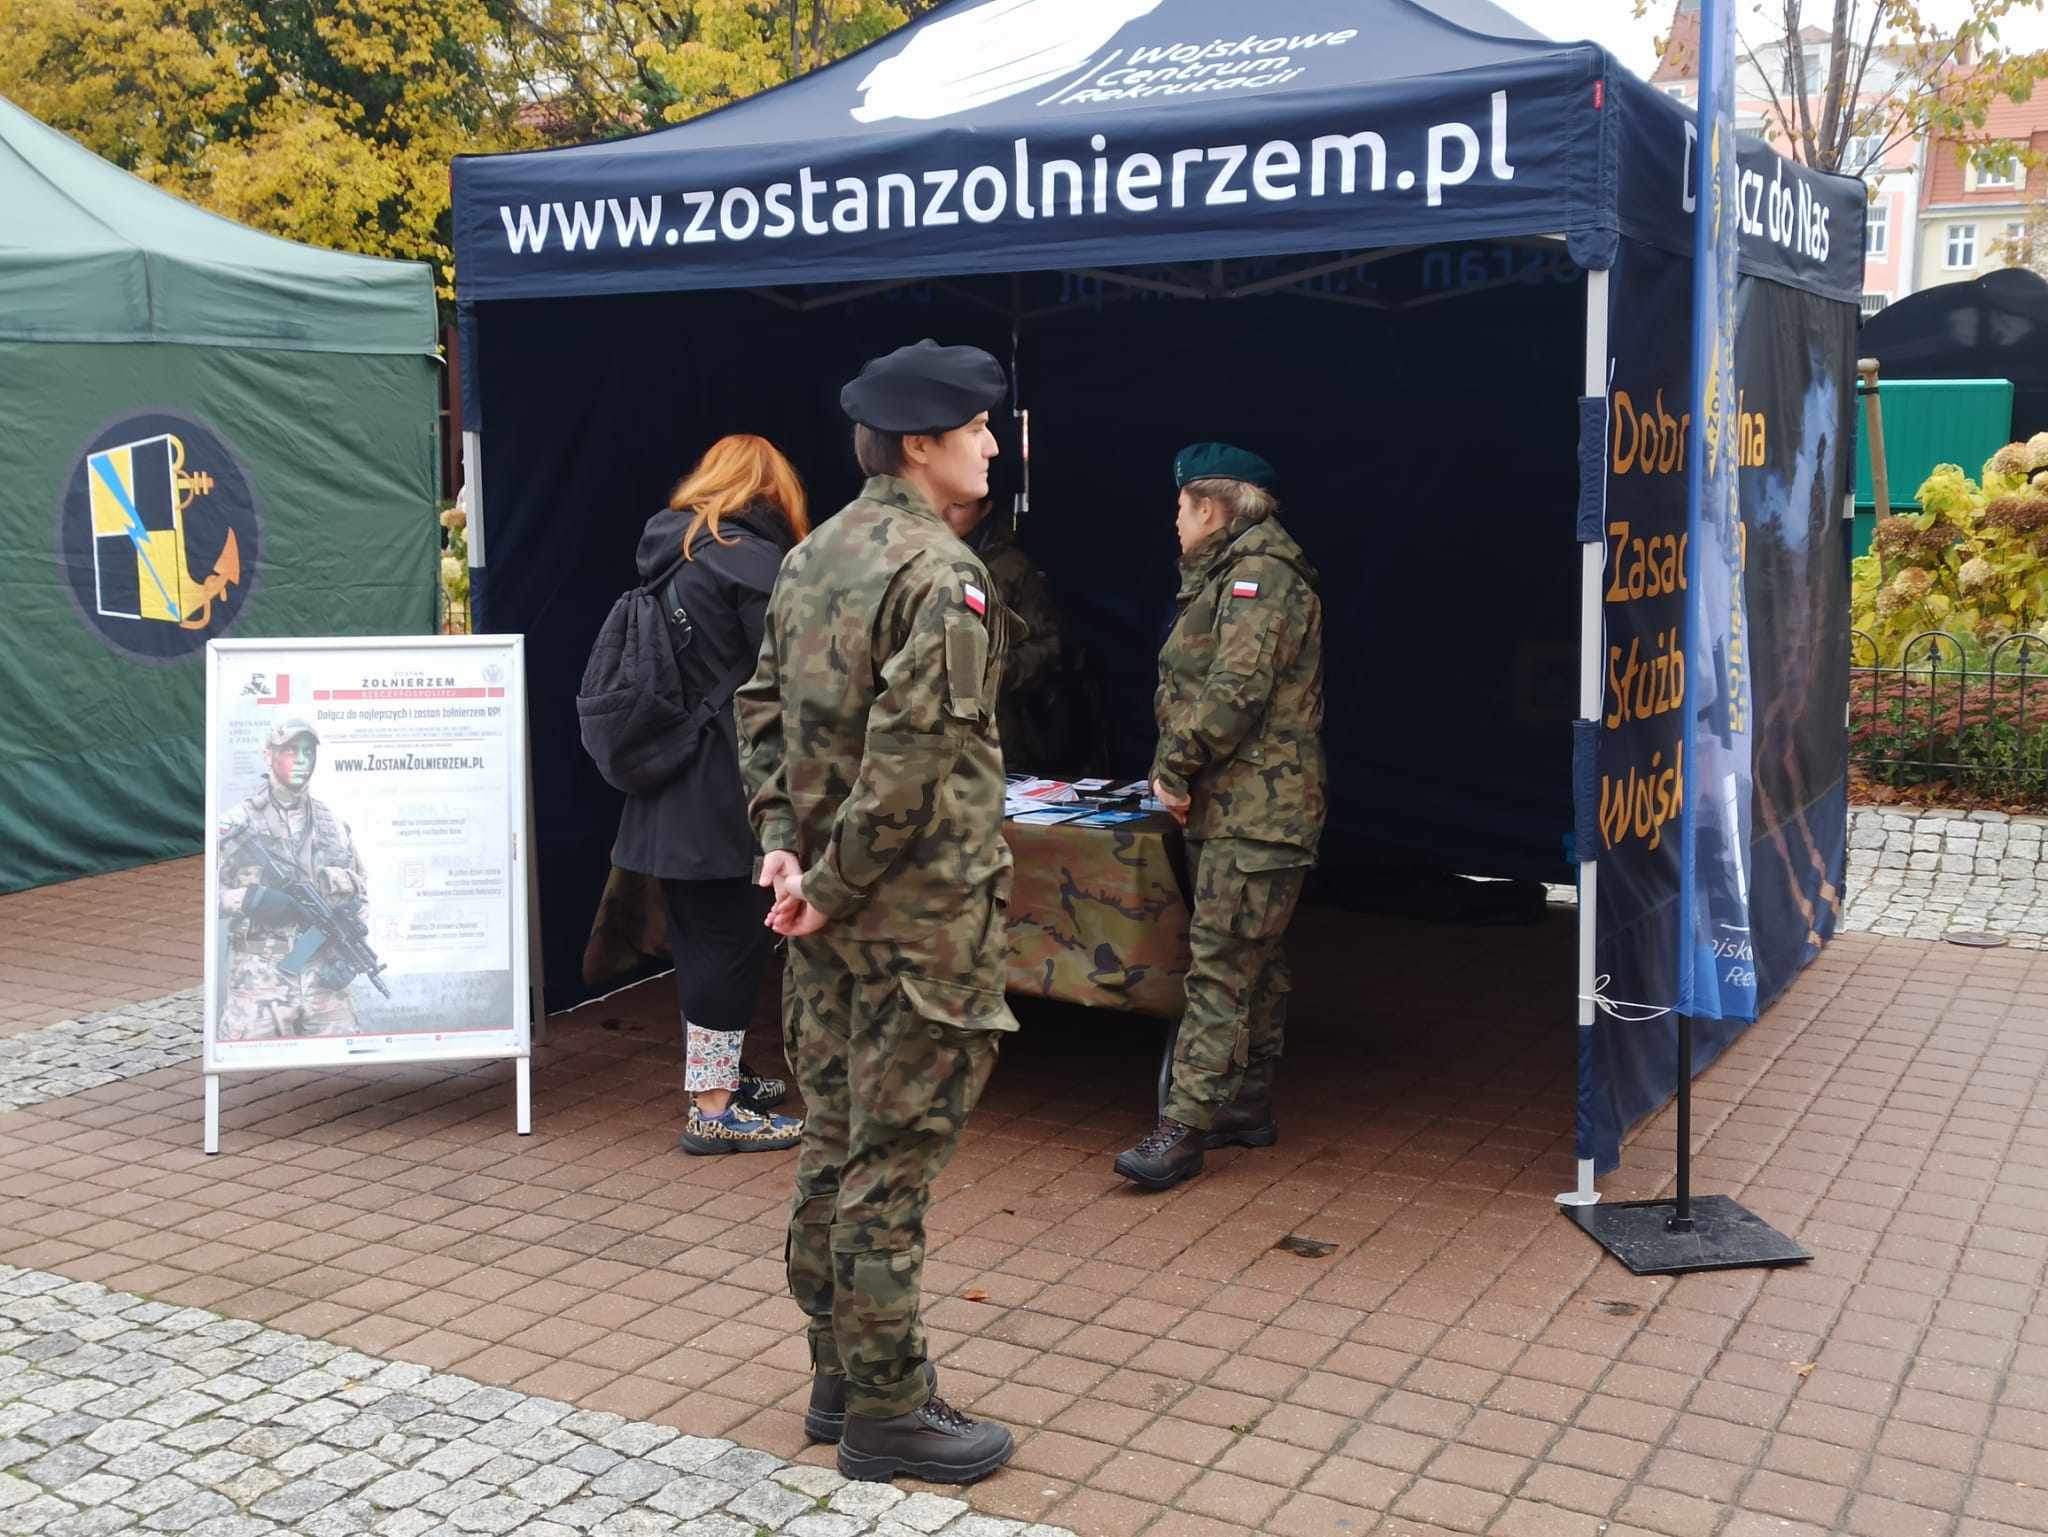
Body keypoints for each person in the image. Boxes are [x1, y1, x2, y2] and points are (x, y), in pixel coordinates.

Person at [737, 338, 1018, 1485]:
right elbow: (908, 764)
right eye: (979, 426)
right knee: (885, 1170)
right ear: (921, 443)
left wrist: (782, 852)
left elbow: (759, 711)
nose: (994, 442)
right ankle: (890, 1412)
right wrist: (830, 881)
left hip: (833, 921)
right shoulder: (936, 571)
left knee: (832, 1145)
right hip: (912, 927)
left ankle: (838, 1375)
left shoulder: (810, 556)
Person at [1114, 444, 1327, 1191]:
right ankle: (1244, 1101)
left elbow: (1235, 688)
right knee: (1252, 961)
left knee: (1219, 965)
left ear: (1210, 506)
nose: (1174, 520)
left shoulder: (1257, 577)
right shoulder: (1239, 574)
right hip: (1243, 809)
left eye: (1180, 506)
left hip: (1255, 810)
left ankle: (1185, 1126)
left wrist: (1174, 766)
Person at [613, 434, 810, 1156]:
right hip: (729, 789)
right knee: (728, 947)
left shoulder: (669, 556)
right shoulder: (757, 566)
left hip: (668, 784)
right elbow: (788, 686)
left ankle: (720, 1077)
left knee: (702, 944)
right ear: (771, 492)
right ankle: (713, 1110)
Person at [217, 721, 370, 1041]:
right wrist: (246, 899)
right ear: (267, 755)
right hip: (259, 981)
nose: (301, 759)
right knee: (247, 1070)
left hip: (324, 981)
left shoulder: (333, 825)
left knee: (344, 1072)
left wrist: (348, 953)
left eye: (308, 752)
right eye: (290, 750)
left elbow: (361, 892)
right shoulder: (235, 824)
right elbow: (203, 898)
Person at [942, 476, 1067, 772]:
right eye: (942, 502)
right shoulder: (921, 558)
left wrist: (993, 670)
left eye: (959, 506)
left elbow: (1050, 646)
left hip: (998, 733)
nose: (945, 514)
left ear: (985, 510)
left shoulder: (1011, 568)